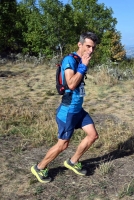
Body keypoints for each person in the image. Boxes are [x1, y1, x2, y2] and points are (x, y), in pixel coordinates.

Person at [31, 32, 99, 183]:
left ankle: (72, 162)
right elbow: (71, 84)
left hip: (78, 110)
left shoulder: (80, 60)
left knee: (93, 135)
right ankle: (40, 167)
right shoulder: (70, 60)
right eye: (88, 46)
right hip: (68, 110)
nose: (91, 50)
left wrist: (83, 65)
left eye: (93, 47)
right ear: (79, 44)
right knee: (63, 144)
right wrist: (83, 66)